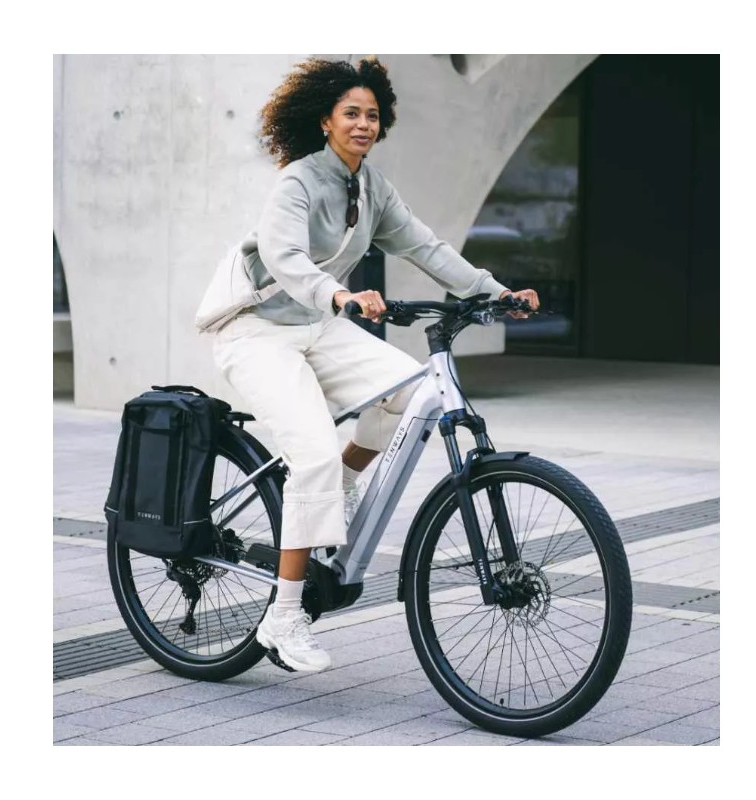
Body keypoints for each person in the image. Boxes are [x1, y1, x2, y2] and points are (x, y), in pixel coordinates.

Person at [196, 57, 539, 673]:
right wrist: (339, 294)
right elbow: (284, 255)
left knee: (409, 393)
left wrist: (495, 292)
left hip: (317, 324)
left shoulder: (373, 187)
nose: (363, 124)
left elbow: (426, 246)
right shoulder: (297, 182)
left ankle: (344, 481)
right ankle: (284, 617)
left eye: (372, 115)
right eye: (350, 113)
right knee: (313, 456)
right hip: (256, 330)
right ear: (325, 121)